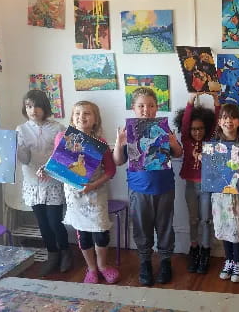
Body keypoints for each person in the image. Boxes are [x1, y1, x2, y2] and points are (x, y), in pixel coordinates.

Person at [43, 100, 119, 284]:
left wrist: (93, 186)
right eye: (77, 113)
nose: (81, 117)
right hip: (74, 195)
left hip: (95, 193)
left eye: (87, 114)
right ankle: (91, 269)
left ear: (95, 119)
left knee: (100, 233)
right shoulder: (63, 137)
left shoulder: (99, 142)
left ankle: (102, 266)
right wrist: (43, 169)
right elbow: (56, 163)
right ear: (72, 117)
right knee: (83, 234)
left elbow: (110, 171)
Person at [113, 87, 183, 286]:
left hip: (164, 187)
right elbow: (118, 161)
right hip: (138, 189)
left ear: (157, 107)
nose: (146, 110)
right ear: (133, 108)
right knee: (142, 228)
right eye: (141, 106)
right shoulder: (128, 130)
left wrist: (172, 141)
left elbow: (177, 153)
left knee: (165, 227)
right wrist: (119, 143)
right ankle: (145, 262)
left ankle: (165, 262)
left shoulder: (164, 127)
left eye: (151, 105)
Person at [16, 89, 70, 277]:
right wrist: (16, 148)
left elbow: (63, 156)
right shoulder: (21, 129)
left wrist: (50, 169)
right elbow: (24, 159)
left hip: (53, 181)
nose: (33, 110)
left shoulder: (58, 128)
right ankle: (52, 254)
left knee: (55, 222)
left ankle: (65, 252)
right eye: (29, 106)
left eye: (37, 106)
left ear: (45, 107)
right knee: (42, 223)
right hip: (32, 183)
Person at [173, 92, 220, 274]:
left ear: (205, 129)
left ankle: (206, 251)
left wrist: (216, 102)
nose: (197, 132)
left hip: (207, 186)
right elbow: (185, 124)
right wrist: (190, 101)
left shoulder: (210, 140)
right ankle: (194, 248)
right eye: (194, 129)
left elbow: (216, 123)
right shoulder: (186, 140)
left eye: (200, 128)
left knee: (206, 220)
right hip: (190, 186)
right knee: (193, 220)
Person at [212, 104, 239, 283]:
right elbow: (211, 169)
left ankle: (237, 262)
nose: (228, 120)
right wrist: (202, 159)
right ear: (219, 121)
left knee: (237, 227)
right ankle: (228, 260)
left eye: (233, 117)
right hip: (220, 195)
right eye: (224, 117)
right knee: (223, 227)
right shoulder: (213, 143)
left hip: (238, 194)